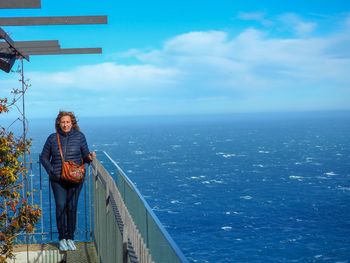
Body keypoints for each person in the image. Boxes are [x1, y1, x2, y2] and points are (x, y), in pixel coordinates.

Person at [40, 111, 95, 251]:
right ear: (59, 123)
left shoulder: (80, 137)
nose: (65, 124)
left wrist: (90, 157)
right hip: (58, 179)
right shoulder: (52, 138)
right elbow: (43, 157)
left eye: (68, 122)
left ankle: (70, 238)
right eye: (63, 122)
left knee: (72, 208)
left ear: (72, 123)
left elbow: (85, 157)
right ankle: (62, 238)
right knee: (60, 206)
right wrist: (51, 170)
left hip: (75, 179)